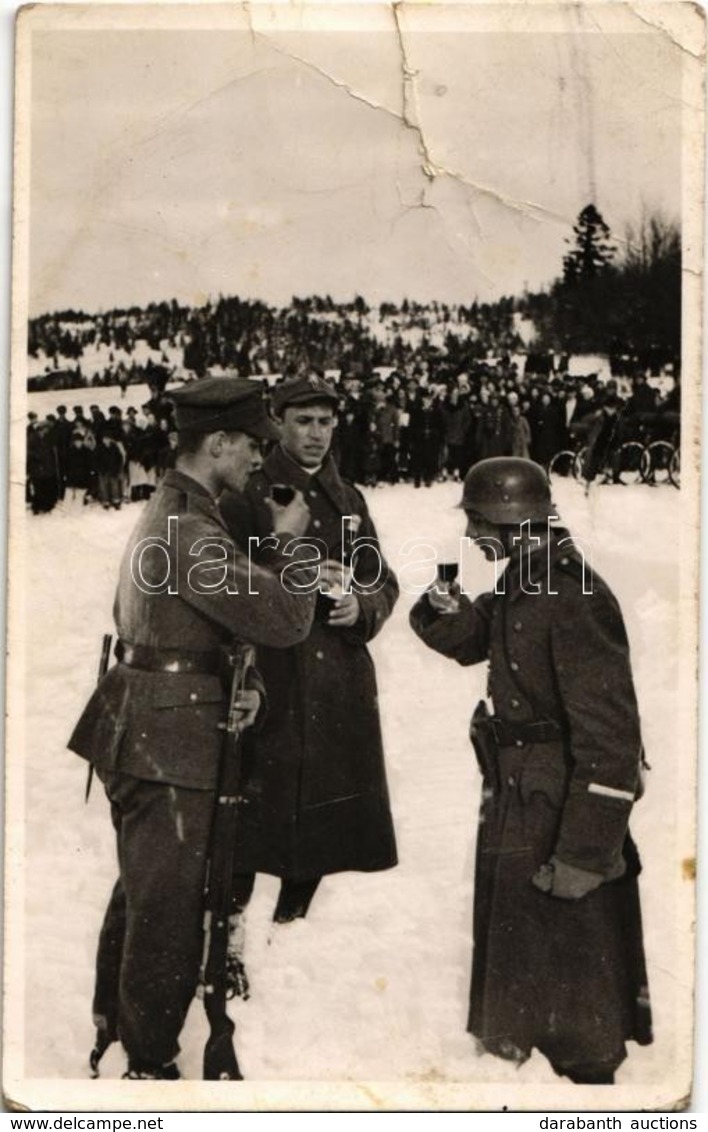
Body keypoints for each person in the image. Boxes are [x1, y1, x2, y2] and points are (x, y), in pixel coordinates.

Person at [68, 376, 317, 1080]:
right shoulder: (191, 530)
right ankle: (148, 1064)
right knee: (167, 908)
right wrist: (288, 545)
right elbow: (286, 619)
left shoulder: (179, 514)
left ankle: (119, 1026)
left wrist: (243, 687)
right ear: (218, 443)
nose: (257, 462)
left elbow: (199, 626)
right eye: (251, 446)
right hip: (168, 741)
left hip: (152, 724)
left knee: (147, 891)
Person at [409, 457, 652, 1084]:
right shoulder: (530, 578)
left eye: (477, 523)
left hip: (558, 806)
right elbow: (473, 637)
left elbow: (612, 741)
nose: (472, 538)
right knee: (529, 960)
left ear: (512, 521)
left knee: (577, 975)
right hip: (522, 793)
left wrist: (585, 853)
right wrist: (440, 607)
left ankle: (591, 1091)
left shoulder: (571, 595)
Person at [220, 374, 398, 937]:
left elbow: (381, 578)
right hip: (269, 672)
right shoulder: (248, 492)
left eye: (325, 422)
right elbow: (223, 583)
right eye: (303, 421)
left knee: (323, 808)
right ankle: (230, 934)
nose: (316, 434)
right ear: (278, 424)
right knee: (248, 812)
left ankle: (289, 928)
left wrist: (362, 608)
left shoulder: (349, 498)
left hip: (334, 677)